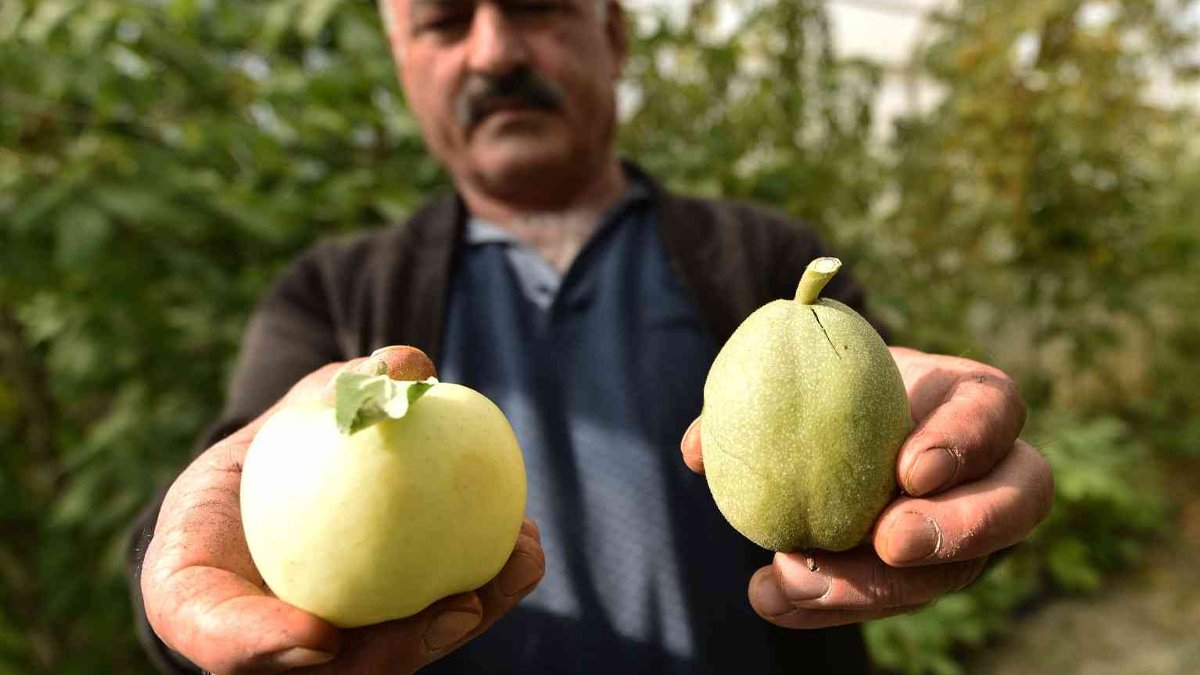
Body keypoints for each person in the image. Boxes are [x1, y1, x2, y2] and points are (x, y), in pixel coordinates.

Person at [127, 0, 1054, 673]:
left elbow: (901, 459)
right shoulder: (332, 293)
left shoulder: (767, 259)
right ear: (400, 57)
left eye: (533, 6)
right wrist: (186, 580)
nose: (493, 50)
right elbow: (223, 495)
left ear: (612, 32)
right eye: (444, 22)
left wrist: (952, 481)